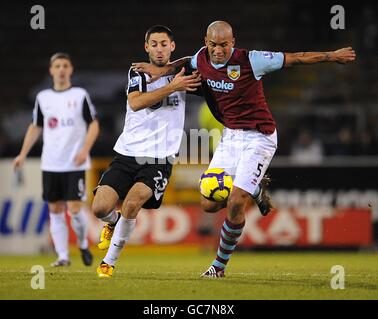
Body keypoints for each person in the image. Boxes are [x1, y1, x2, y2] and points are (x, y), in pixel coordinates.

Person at [132, 20, 356, 278]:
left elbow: (295, 58)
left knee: (236, 201)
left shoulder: (252, 60)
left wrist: (332, 56)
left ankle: (218, 266)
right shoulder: (201, 58)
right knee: (208, 203)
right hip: (231, 137)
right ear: (206, 42)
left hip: (260, 137)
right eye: (213, 45)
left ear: (233, 42)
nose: (218, 50)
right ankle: (256, 188)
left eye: (224, 45)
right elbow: (186, 62)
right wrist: (162, 71)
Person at [91, 25, 201, 278]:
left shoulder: (184, 71)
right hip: (128, 153)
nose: (159, 48)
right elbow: (136, 102)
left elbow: (203, 57)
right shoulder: (138, 72)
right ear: (146, 47)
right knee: (99, 208)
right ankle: (112, 222)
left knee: (132, 203)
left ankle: (109, 262)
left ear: (172, 47)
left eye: (164, 44)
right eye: (154, 44)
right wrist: (173, 87)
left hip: (159, 158)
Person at [13, 53, 99, 267]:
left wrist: (85, 150)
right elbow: (35, 127)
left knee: (75, 209)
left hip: (74, 162)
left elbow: (94, 124)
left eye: (65, 65)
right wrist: (22, 154)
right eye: (57, 66)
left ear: (71, 69)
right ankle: (62, 256)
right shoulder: (43, 97)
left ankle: (82, 244)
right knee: (55, 210)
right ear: (51, 70)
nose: (61, 69)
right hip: (51, 162)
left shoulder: (80, 95)